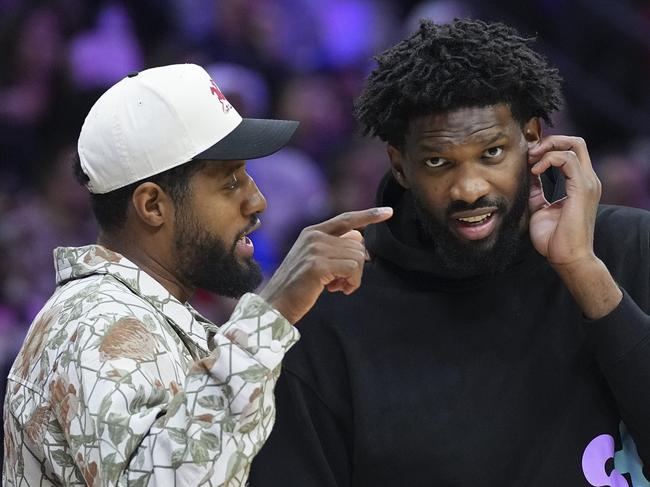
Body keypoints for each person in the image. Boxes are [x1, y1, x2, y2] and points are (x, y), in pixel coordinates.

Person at [249, 19, 650, 486]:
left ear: (533, 137)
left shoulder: (629, 248)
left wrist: (583, 270)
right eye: (439, 162)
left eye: (493, 153)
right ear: (400, 165)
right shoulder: (334, 310)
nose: (468, 188)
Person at [2, 63, 392, 486]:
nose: (257, 200)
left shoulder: (133, 313)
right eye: (230, 182)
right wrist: (271, 312)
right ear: (152, 205)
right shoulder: (100, 323)